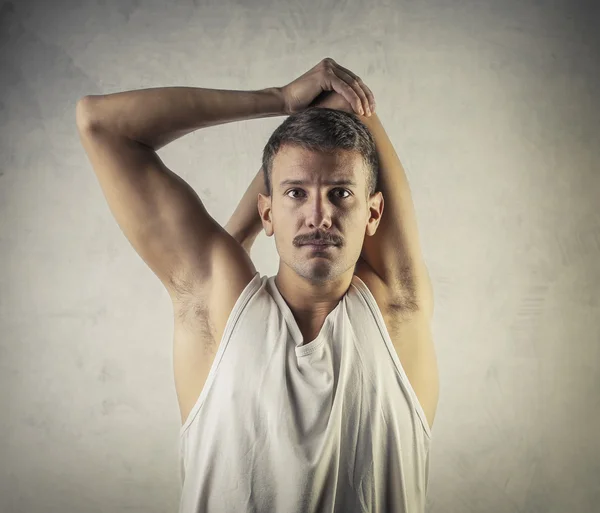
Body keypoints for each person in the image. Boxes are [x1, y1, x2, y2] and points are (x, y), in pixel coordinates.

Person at [76, 58, 439, 513]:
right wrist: (280, 99)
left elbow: (342, 100)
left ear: (373, 213)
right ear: (267, 212)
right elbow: (100, 123)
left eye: (341, 193)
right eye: (295, 194)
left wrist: (249, 225)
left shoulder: (397, 313)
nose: (319, 215)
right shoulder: (218, 306)